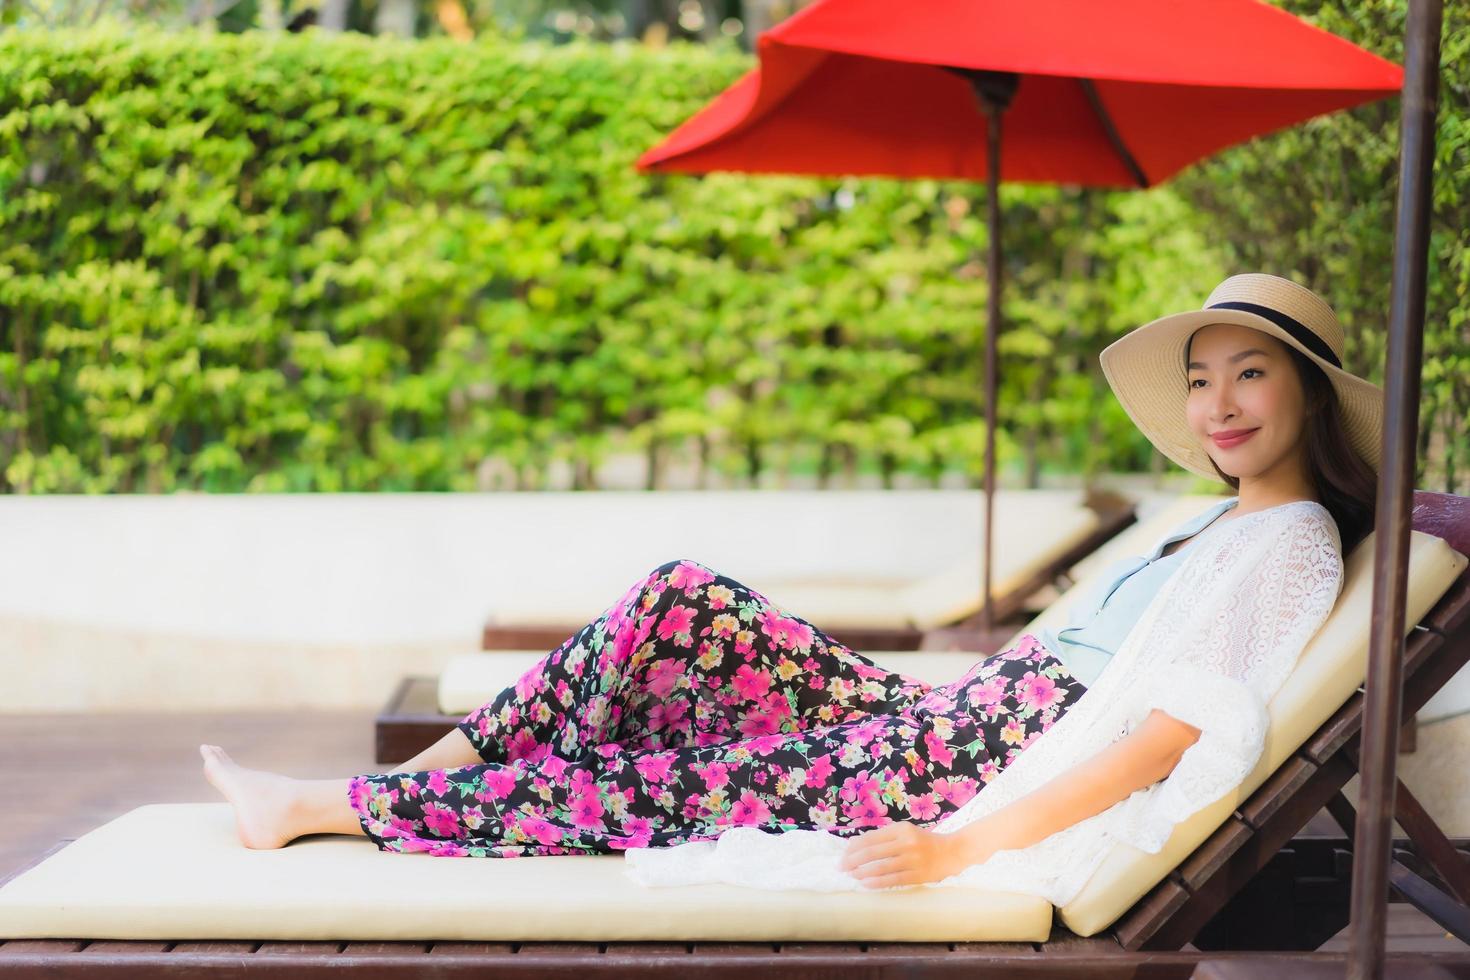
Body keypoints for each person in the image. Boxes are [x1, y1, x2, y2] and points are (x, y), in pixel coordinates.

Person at [199, 272, 1383, 900]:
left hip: (976, 757)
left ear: (1311, 394)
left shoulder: (1294, 545)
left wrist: (955, 849)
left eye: (1251, 374)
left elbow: (1166, 736)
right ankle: (413, 783)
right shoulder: (1212, 521)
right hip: (958, 712)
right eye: (1201, 377)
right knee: (681, 599)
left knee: (658, 779)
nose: (1218, 402)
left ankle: (324, 806)